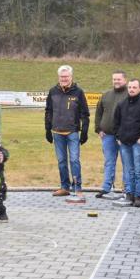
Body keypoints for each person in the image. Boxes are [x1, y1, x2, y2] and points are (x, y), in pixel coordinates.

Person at [45, 65, 90, 197]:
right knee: (61, 161)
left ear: (71, 77)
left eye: (66, 76)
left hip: (73, 132)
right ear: (58, 77)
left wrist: (84, 131)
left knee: (74, 160)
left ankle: (77, 187)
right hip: (57, 133)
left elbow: (85, 114)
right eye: (61, 77)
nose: (64, 79)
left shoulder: (78, 92)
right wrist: (47, 129)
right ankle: (65, 187)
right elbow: (48, 111)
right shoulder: (53, 91)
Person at [113, 79, 140, 207]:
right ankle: (129, 194)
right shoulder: (121, 104)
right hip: (124, 143)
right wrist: (118, 137)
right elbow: (116, 122)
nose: (131, 89)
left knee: (139, 170)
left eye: (134, 87)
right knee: (128, 170)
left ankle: (139, 196)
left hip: (139, 143)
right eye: (130, 87)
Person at [94, 70, 129, 198]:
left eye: (119, 79)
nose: (116, 81)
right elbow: (98, 112)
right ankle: (106, 187)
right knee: (109, 162)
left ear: (125, 80)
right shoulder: (106, 95)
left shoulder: (130, 95)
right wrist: (98, 128)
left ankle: (127, 189)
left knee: (127, 163)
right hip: (108, 135)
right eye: (114, 79)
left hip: (125, 136)